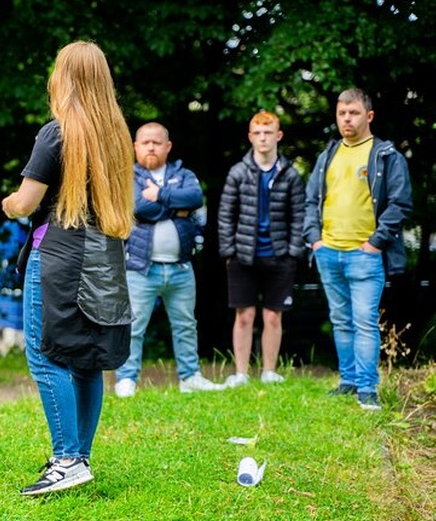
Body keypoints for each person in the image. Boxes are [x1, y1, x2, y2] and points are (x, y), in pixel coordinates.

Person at [1, 41, 134, 496]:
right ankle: (80, 458)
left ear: (65, 78)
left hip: (58, 256)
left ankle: (66, 459)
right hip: (104, 256)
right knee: (87, 360)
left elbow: (25, 203)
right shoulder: (116, 137)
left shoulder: (57, 133)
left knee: (45, 355)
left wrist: (8, 203)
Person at [304, 87, 413, 410]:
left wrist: (375, 243)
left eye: (353, 113)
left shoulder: (386, 155)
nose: (346, 119)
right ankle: (349, 381)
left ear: (369, 116)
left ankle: (368, 389)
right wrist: (315, 239)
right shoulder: (328, 155)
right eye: (341, 113)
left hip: (365, 254)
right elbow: (311, 200)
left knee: (364, 320)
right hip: (328, 251)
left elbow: (400, 203)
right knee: (340, 320)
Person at [113, 122, 223, 398]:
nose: (151, 146)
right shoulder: (127, 176)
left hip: (181, 267)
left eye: (156, 142)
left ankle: (190, 377)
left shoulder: (183, 174)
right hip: (140, 267)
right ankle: (126, 378)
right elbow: (137, 207)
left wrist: (160, 194)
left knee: (186, 325)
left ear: (167, 146)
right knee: (134, 326)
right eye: (145, 142)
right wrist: (177, 210)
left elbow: (195, 197)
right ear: (135, 147)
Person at [218, 111, 305, 388]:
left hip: (279, 256)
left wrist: (293, 252)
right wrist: (228, 251)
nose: (263, 138)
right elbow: (225, 215)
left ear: (278, 136)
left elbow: (299, 215)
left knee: (272, 315)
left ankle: (269, 370)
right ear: (250, 137)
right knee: (244, 316)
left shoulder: (290, 174)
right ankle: (241, 373)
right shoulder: (238, 172)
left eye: (268, 133)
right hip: (243, 255)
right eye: (257, 133)